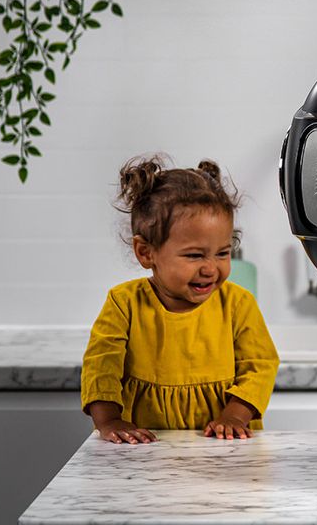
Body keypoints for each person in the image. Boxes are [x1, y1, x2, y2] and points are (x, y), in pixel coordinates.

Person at [81, 155, 280, 444]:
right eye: (194, 255)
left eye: (223, 253)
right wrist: (109, 421)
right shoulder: (124, 303)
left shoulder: (238, 303)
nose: (211, 268)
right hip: (142, 450)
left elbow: (260, 365)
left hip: (220, 447)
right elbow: (101, 366)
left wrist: (235, 416)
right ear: (146, 252)